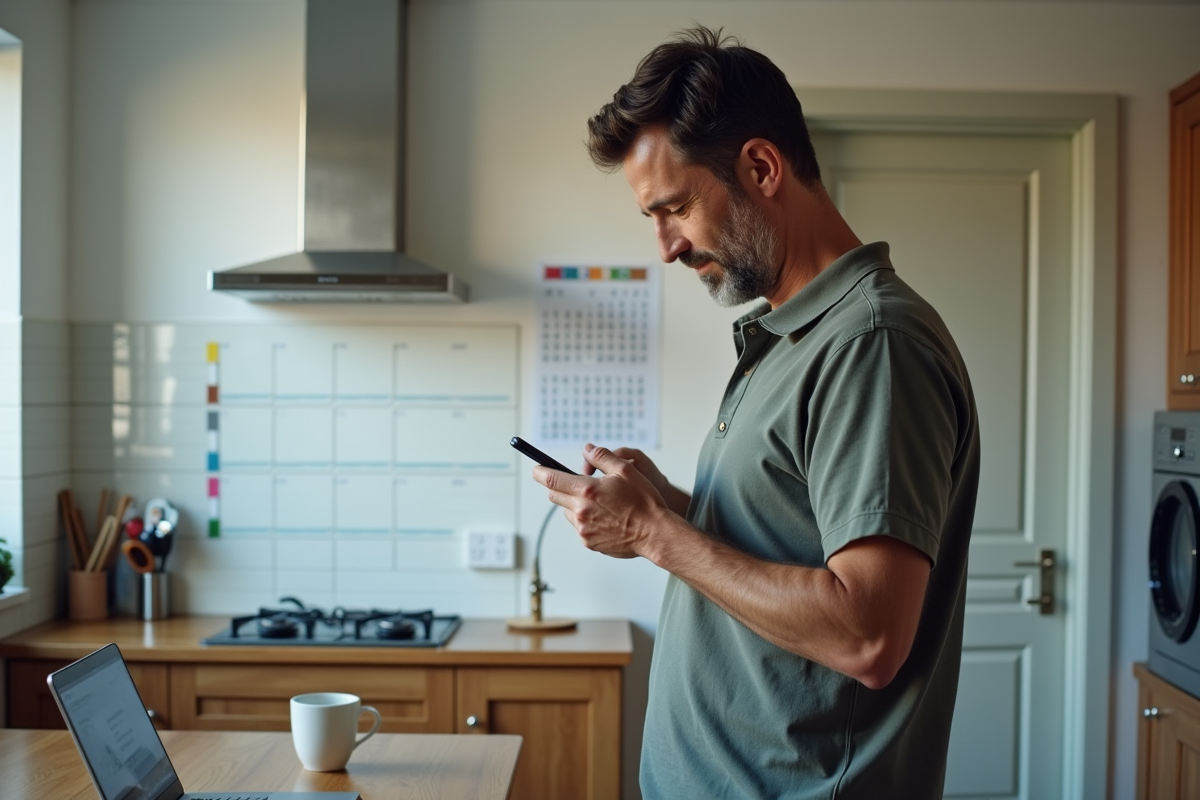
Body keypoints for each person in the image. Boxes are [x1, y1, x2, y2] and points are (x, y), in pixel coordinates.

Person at [531, 26, 981, 800]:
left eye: (674, 208)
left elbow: (868, 634)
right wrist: (672, 506)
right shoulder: (788, 335)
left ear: (762, 167)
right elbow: (786, 539)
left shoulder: (871, 342)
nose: (666, 246)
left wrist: (652, 532)